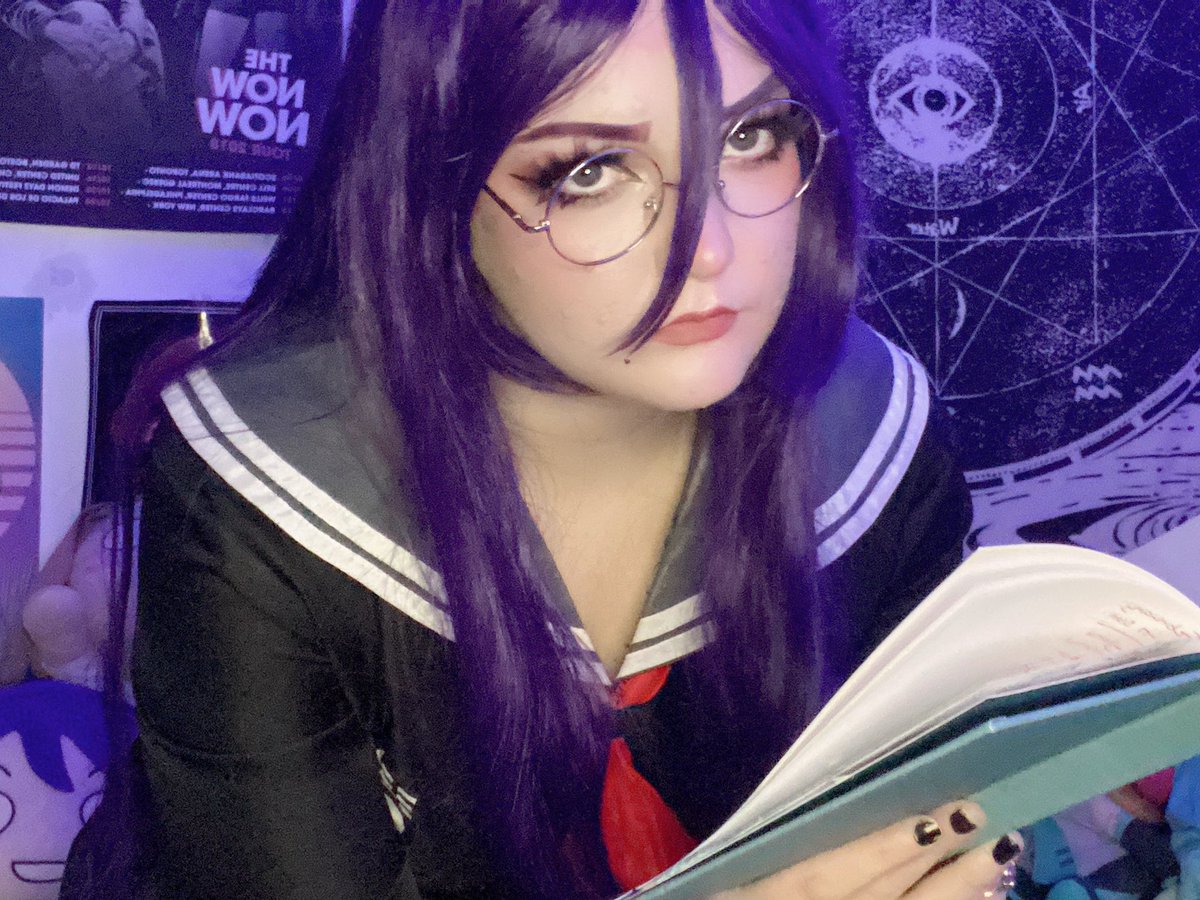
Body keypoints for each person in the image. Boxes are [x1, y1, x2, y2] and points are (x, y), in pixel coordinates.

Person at [63, 0, 1024, 897]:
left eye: (751, 135)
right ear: (434, 180)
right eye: (591, 169)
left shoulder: (872, 434)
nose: (711, 249)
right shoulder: (266, 486)